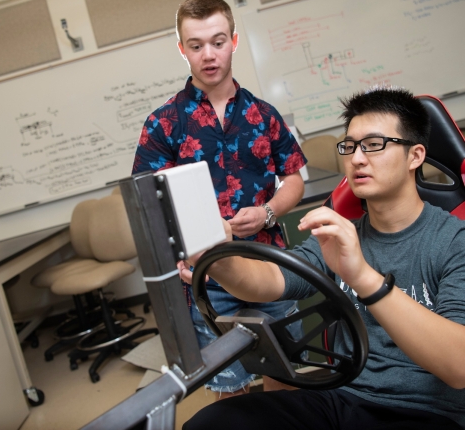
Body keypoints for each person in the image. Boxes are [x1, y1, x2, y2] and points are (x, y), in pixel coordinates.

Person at [182, 86, 465, 429]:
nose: (357, 158)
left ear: (415, 155)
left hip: (425, 411)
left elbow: (458, 367)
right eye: (350, 146)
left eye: (374, 145)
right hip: (340, 398)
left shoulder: (454, 242)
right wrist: (219, 258)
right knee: (214, 422)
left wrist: (361, 275)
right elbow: (270, 280)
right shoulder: (341, 235)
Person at [132, 0, 307, 397]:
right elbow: (148, 205)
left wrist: (267, 212)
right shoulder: (163, 123)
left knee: (286, 384)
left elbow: (294, 178)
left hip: (269, 265)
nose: (209, 55)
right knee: (232, 394)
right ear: (182, 49)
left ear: (234, 41)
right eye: (196, 45)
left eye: (218, 41)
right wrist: (179, 255)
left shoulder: (263, 114)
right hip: (207, 277)